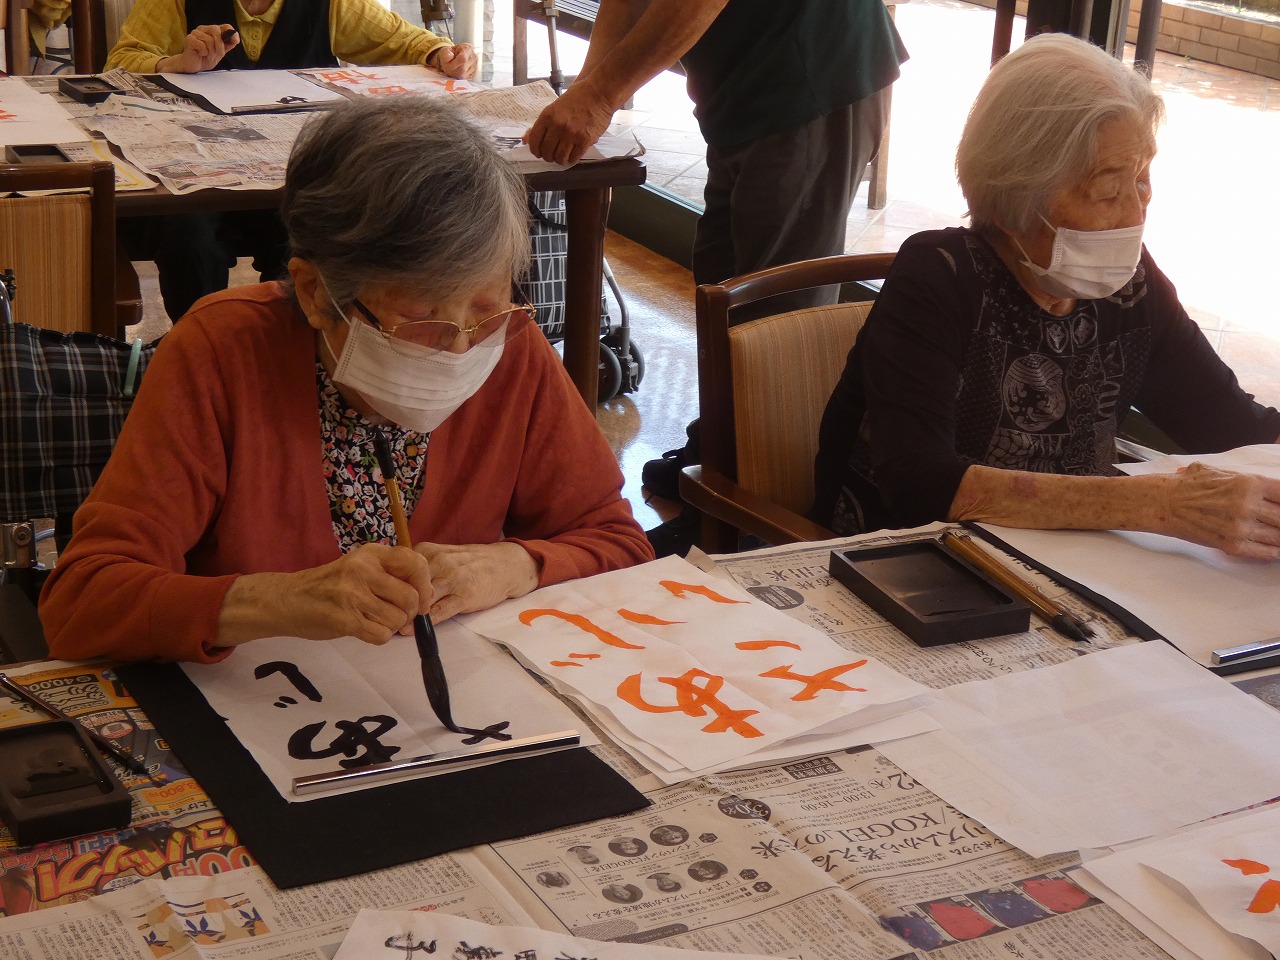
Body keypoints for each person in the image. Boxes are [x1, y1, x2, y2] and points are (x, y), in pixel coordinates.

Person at [39, 96, 654, 663]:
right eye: (422, 320)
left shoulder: (507, 345)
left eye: (485, 310)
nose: (461, 348)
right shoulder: (221, 353)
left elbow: (618, 542)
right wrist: (277, 601)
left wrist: (519, 565)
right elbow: (83, 603)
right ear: (314, 292)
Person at [811, 34, 1280, 560]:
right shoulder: (939, 275)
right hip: (906, 564)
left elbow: (1234, 426)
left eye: (1143, 181)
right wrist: (1164, 505)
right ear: (1016, 194)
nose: (1134, 214)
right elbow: (919, 485)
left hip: (1064, 564)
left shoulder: (1132, 286)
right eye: (1107, 191)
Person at [523, 0, 908, 556]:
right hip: (748, 90)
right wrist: (587, 88)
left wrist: (599, 97)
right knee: (721, 284)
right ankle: (722, 456)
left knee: (774, 310)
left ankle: (752, 513)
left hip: (809, 77)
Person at [107, 0, 477, 323]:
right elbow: (120, 63)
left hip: (292, 169)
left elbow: (404, 41)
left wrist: (442, 55)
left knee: (307, 232)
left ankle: (284, 347)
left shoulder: (332, 5)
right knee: (188, 239)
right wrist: (175, 63)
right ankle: (198, 348)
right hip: (195, 168)